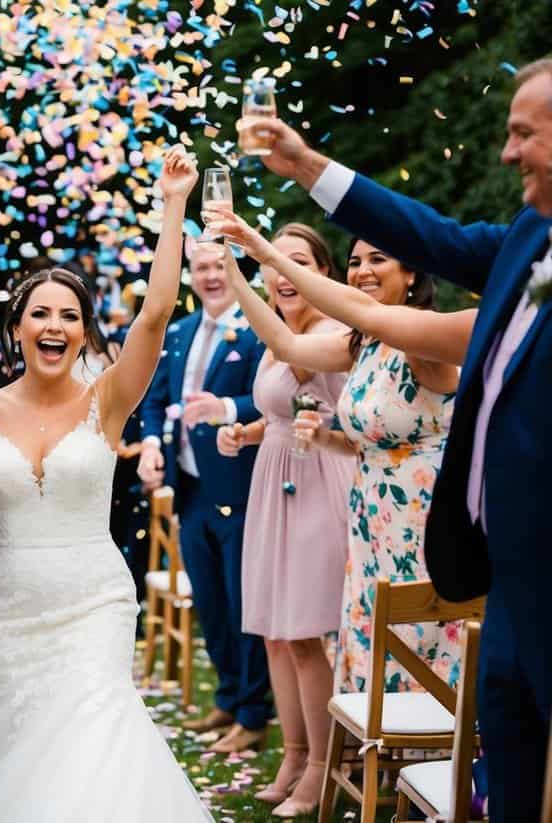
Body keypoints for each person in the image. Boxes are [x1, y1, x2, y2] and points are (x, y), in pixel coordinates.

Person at [242, 61, 552, 816]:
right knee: (507, 763)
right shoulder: (528, 239)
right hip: (496, 566)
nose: (506, 153)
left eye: (522, 133)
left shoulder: (426, 337)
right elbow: (431, 236)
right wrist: (308, 168)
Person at [0, 147, 209, 821]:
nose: (55, 326)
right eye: (40, 314)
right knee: (24, 746)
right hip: (9, 609)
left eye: (69, 316)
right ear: (18, 329)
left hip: (94, 601)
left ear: (83, 333)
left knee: (92, 737)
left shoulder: (108, 399)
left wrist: (174, 204)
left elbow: (157, 312)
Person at [212, 209, 474, 697]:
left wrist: (266, 250)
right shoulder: (363, 344)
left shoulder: (424, 339)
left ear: (412, 272)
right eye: (355, 261)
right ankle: (382, 756)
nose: (363, 270)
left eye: (379, 258)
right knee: (376, 640)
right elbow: (286, 343)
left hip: (421, 523)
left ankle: (431, 758)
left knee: (424, 644)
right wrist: (235, 267)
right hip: (370, 519)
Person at [214, 223, 356, 817]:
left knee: (303, 634)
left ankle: (324, 765)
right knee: (275, 632)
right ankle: (294, 753)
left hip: (317, 481)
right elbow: (278, 412)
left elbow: (325, 410)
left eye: (296, 261)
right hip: (274, 479)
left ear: (317, 272)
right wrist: (242, 433)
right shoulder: (279, 336)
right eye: (275, 262)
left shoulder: (326, 331)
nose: (281, 273)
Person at [136, 240, 270, 752]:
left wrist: (224, 406)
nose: (212, 275)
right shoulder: (180, 332)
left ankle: (255, 715)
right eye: (202, 267)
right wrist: (151, 445)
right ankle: (229, 697)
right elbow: (156, 403)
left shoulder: (260, 330)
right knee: (211, 605)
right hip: (190, 491)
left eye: (221, 265)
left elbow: (266, 399)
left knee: (242, 604)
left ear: (236, 271)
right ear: (190, 275)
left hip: (241, 486)